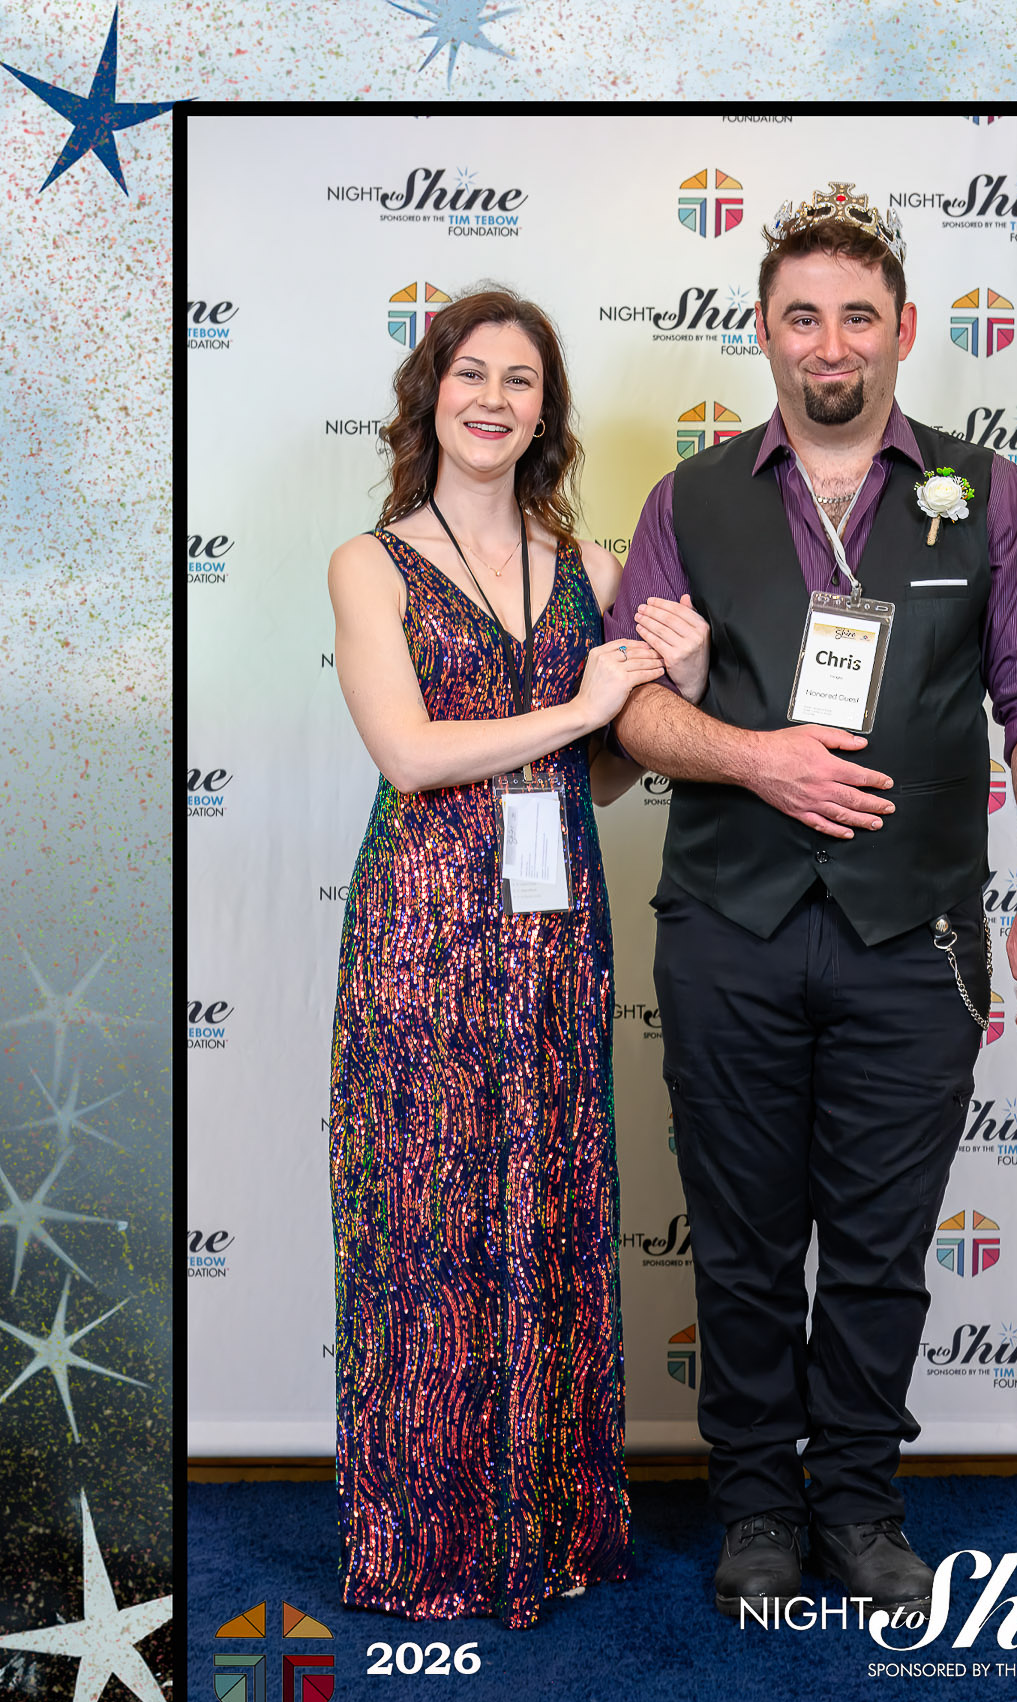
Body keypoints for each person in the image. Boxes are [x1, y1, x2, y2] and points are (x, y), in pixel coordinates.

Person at [611, 184, 1017, 1619]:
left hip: (916, 934)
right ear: (764, 331)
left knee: (882, 1249)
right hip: (728, 926)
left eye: (859, 317)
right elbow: (631, 710)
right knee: (744, 1242)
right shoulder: (688, 500)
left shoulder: (987, 492)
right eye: (804, 317)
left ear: (904, 330)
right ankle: (759, 1506)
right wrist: (754, 755)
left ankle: (862, 1502)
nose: (833, 343)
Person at [325, 288, 708, 1629]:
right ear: (430, 393)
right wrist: (583, 699)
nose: (494, 399)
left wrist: (673, 690)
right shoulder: (371, 563)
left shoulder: (590, 562)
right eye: (472, 373)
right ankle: (426, 1548)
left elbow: (595, 776)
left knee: (548, 1209)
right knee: (427, 1225)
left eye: (522, 381)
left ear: (547, 412)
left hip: (555, 934)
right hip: (423, 934)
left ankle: (550, 1529)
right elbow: (409, 753)